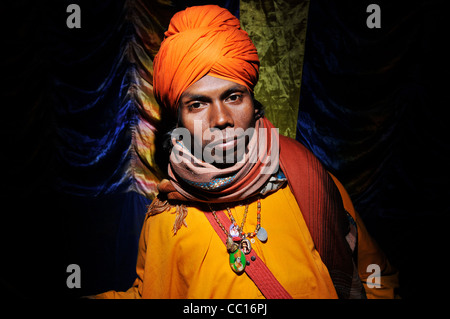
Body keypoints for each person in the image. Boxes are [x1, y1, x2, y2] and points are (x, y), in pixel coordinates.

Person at [93, 5, 398, 299]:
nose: (221, 119)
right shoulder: (165, 216)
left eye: (234, 96)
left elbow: (377, 277)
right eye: (197, 104)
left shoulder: (309, 179)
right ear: (179, 119)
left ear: (252, 104)